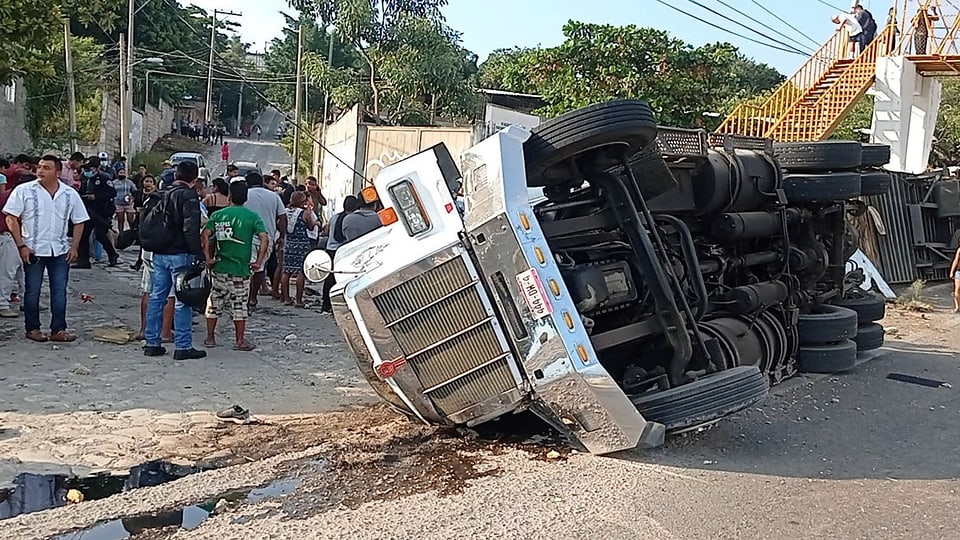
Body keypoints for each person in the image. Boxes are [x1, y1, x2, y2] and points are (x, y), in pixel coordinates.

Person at [2, 156, 89, 342]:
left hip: (59, 249)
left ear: (58, 173)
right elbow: (11, 218)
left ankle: (58, 329)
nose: (41, 171)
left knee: (60, 290)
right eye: (39, 167)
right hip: (33, 249)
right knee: (32, 290)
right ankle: (32, 328)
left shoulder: (69, 194)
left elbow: (80, 220)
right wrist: (21, 245)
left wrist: (74, 246)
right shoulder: (24, 190)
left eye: (47, 168)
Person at [143, 161, 207, 360]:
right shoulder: (188, 196)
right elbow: (190, 227)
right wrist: (198, 254)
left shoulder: (163, 193)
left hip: (160, 253)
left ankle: (152, 342)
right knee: (183, 299)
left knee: (157, 297)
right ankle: (183, 346)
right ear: (194, 179)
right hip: (180, 254)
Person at [201, 181, 269, 350]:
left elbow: (205, 234)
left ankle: (210, 337)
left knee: (214, 302)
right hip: (241, 269)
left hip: (219, 266)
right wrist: (259, 261)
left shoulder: (218, 215)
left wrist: (208, 258)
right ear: (245, 198)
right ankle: (239, 340)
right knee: (239, 305)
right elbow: (264, 238)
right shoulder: (252, 217)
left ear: (229, 196)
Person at [243, 172, 286, 310]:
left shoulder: (245, 195)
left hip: (246, 237)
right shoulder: (274, 196)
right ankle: (253, 297)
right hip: (267, 237)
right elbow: (283, 217)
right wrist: (282, 236)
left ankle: (245, 296)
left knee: (246, 267)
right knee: (260, 267)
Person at [75, 157, 119, 268]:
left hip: (101, 211)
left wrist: (95, 197)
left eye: (90, 168)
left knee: (101, 235)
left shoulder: (104, 178)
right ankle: (83, 260)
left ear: (97, 168)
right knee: (83, 235)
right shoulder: (85, 178)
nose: (88, 171)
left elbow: (112, 193)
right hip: (87, 210)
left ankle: (112, 254)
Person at [319, 195, 358, 313]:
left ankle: (326, 303)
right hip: (343, 251)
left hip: (331, 250)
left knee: (329, 278)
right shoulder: (352, 219)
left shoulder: (335, 217)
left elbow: (326, 232)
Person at [280, 192, 317, 307]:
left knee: (286, 271)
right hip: (302, 244)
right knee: (301, 272)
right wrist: (315, 223)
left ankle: (286, 298)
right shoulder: (304, 213)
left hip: (289, 243)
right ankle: (298, 300)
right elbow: (310, 226)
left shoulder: (286, 211)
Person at [0, 185, 21, 318]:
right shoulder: (15, 197)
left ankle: (28, 299)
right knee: (8, 271)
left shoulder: (6, 195)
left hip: (10, 236)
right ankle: (2, 304)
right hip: (9, 236)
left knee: (21, 272)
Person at [111, 168, 138, 234]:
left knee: (130, 220)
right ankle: (121, 234)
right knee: (120, 220)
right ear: (117, 173)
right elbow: (111, 191)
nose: (122, 174)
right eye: (121, 172)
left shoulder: (129, 182)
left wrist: (132, 197)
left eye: (123, 172)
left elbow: (135, 191)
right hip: (118, 203)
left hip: (128, 203)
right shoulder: (114, 182)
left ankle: (133, 233)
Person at [950, 245, 960, 313]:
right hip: (959, 271)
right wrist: (951, 272)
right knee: (957, 290)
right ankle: (957, 307)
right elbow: (956, 260)